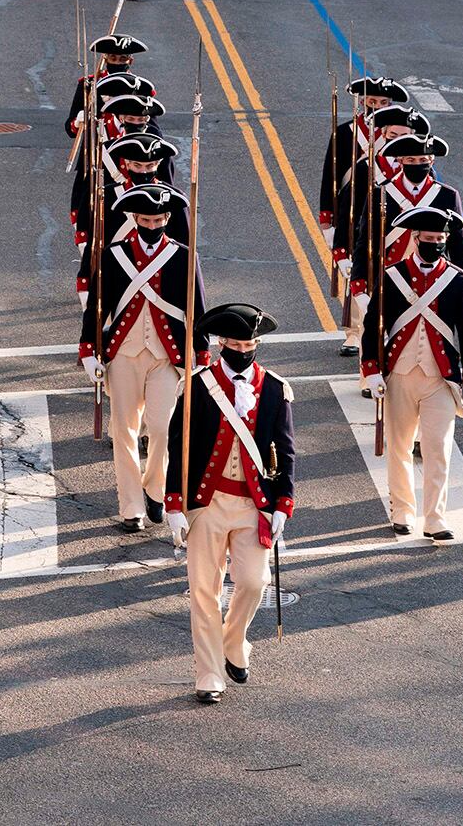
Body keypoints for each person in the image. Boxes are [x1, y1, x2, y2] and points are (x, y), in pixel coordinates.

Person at [163, 302, 295, 705]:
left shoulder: (274, 388)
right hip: (207, 502)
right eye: (236, 343)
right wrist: (173, 504)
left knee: (254, 583)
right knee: (204, 590)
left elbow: (286, 452)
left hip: (253, 504)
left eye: (250, 342)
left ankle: (234, 640)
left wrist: (282, 505)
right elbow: (177, 446)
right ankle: (208, 674)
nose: (243, 349)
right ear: (222, 343)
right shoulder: (197, 385)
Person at [80, 185, 206, 530]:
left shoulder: (182, 255)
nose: (153, 224)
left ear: (167, 219)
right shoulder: (113, 254)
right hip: (123, 352)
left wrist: (201, 350)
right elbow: (97, 305)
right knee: (124, 430)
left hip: (166, 355)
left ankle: (155, 488)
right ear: (135, 219)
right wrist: (89, 350)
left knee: (163, 428)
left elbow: (197, 308)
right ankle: (131, 506)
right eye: (147, 219)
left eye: (160, 219)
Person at [361, 206, 463, 539]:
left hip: (440, 377)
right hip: (399, 372)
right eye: (429, 239)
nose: (436, 244)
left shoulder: (457, 280)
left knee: (437, 449)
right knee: (399, 446)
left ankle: (435, 518)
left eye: (441, 239)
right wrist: (371, 369)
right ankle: (402, 510)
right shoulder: (392, 275)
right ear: (415, 239)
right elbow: (373, 325)